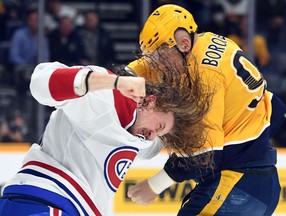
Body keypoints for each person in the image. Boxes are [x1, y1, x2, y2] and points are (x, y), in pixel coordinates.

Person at [0, 46, 212, 215]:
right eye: (158, 127)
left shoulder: (142, 141)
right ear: (150, 101)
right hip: (46, 199)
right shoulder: (106, 97)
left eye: (160, 134)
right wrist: (114, 82)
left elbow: (178, 146)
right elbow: (40, 82)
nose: (153, 135)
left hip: (64, 205)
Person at [126, 4, 286, 216]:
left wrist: (154, 185)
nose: (156, 68)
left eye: (160, 60)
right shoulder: (197, 43)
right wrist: (111, 81)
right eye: (152, 60)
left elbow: (204, 156)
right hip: (249, 182)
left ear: (184, 44)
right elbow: (147, 64)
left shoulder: (205, 77)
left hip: (240, 185)